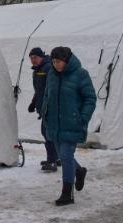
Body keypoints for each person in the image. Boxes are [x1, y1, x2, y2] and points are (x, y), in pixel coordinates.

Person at [41, 46, 96, 206]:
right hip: (54, 123)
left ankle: (67, 194)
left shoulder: (80, 74)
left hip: (71, 123)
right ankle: (78, 170)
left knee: (65, 155)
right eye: (53, 61)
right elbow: (47, 94)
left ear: (66, 60)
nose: (55, 64)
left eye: (58, 61)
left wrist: (82, 118)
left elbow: (90, 99)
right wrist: (45, 111)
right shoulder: (52, 74)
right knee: (64, 156)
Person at [26, 47, 59, 172]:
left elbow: (51, 90)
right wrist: (33, 103)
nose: (33, 60)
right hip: (43, 108)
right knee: (49, 134)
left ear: (41, 57)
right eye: (31, 58)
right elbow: (39, 91)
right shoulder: (37, 70)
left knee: (48, 133)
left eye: (35, 57)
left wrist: (50, 106)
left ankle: (52, 161)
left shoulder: (48, 68)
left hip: (50, 108)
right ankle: (57, 158)